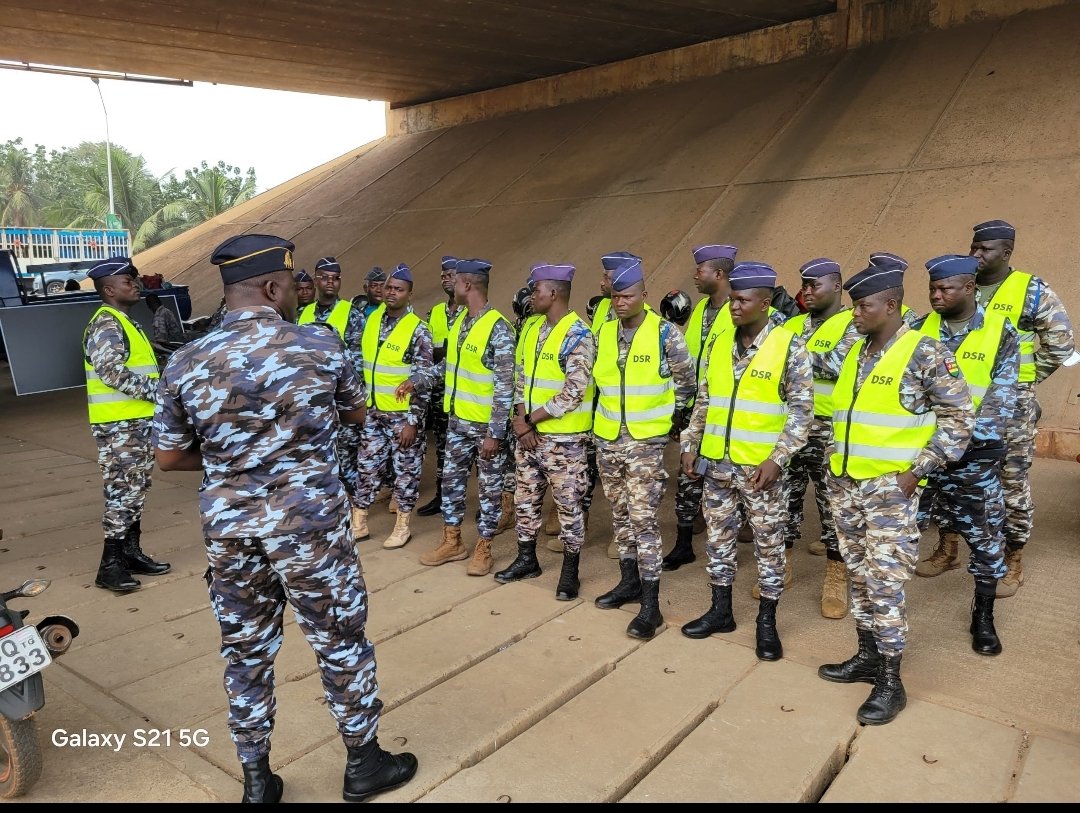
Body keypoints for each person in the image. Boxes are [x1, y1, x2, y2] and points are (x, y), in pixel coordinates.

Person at [152, 234, 417, 804]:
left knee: (245, 651)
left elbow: (169, 457)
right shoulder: (321, 347)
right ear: (273, 287)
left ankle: (256, 780)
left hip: (232, 532)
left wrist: (233, 456)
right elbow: (354, 412)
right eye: (291, 286)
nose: (297, 295)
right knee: (340, 641)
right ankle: (364, 765)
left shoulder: (185, 360)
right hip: (310, 529)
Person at [814, 259, 973, 726]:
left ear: (891, 305)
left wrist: (917, 472)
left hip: (889, 492)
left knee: (885, 585)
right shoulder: (854, 350)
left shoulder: (926, 353)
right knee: (861, 575)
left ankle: (890, 681)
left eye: (862, 306)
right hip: (845, 486)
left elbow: (960, 420)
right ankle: (865, 656)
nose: (855, 314)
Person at [679, 262, 813, 660]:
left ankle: (766, 623)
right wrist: (691, 443)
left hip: (761, 472)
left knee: (769, 547)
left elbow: (802, 412)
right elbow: (705, 400)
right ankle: (720, 611)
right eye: (732, 299)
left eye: (742, 300)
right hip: (717, 465)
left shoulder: (790, 345)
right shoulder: (721, 343)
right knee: (719, 542)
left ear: (766, 303)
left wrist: (779, 458)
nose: (734, 307)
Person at [949, 219, 1075, 598]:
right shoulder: (959, 284)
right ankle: (947, 547)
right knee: (948, 478)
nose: (975, 254)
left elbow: (1061, 343)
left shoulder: (1031, 289)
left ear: (1007, 252)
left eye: (984, 249)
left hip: (1011, 410)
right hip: (957, 405)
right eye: (973, 247)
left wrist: (1022, 379)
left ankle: (1012, 557)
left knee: (1011, 481)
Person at [912, 254, 1019, 655]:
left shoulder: (999, 331)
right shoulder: (917, 329)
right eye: (933, 289)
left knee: (986, 538)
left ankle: (984, 614)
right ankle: (886, 617)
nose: (937, 296)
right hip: (922, 456)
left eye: (945, 289)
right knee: (903, 532)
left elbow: (1002, 396)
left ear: (970, 288)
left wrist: (960, 445)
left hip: (974, 457)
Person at [591, 256, 696, 640]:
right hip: (607, 439)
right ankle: (628, 582)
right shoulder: (601, 334)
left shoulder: (666, 334)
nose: (620, 302)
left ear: (644, 295)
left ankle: (651, 606)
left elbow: (687, 385)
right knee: (619, 515)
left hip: (644, 444)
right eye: (615, 295)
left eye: (627, 295)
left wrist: (669, 423)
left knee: (644, 521)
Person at [495, 264, 596, 600]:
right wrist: (520, 420)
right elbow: (522, 380)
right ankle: (527, 559)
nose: (531, 296)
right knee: (526, 500)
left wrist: (530, 420)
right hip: (529, 435)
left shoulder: (578, 334)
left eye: (536, 290)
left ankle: (570, 573)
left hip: (564, 440)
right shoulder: (532, 328)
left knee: (569, 506)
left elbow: (574, 391)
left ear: (553, 293)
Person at [417, 258, 515, 576]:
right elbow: (450, 368)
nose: (452, 285)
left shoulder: (498, 328)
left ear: (468, 285)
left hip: (485, 428)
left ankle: (484, 547)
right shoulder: (460, 321)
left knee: (488, 489)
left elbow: (505, 387)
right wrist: (417, 380)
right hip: (457, 423)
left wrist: (495, 434)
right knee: (452, 483)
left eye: (456, 281)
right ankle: (453, 541)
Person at [83, 256, 171, 594]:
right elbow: (111, 371)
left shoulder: (123, 320)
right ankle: (110, 566)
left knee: (134, 489)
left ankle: (131, 554)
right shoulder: (106, 322)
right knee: (122, 493)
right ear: (109, 289)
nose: (135, 284)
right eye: (127, 280)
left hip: (134, 423)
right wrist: (159, 392)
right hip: (119, 425)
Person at [782, 258, 861, 620]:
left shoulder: (854, 324)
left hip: (830, 431)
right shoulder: (793, 324)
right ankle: (781, 563)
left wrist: (793, 358)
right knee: (785, 498)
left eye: (815, 284)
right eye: (804, 284)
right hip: (791, 427)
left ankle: (835, 575)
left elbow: (840, 363)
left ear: (837, 286)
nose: (808, 291)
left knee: (833, 506)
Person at [664, 244, 739, 572]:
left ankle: (729, 546)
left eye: (701, 270)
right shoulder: (702, 311)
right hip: (699, 408)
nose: (695, 276)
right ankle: (683, 544)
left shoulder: (738, 310)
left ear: (719, 274)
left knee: (730, 479)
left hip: (729, 413)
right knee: (688, 476)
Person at [353, 263, 436, 549]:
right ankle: (359, 522)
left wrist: (413, 421)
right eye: (388, 287)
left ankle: (402, 525)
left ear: (409, 294)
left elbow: (423, 380)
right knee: (367, 467)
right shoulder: (373, 320)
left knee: (406, 472)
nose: (391, 293)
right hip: (374, 412)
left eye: (398, 289)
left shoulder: (418, 331)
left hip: (402, 417)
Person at [298, 256, 367, 530]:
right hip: (308, 403)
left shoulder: (352, 313)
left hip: (338, 401)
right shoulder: (301, 315)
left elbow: (358, 360)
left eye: (335, 278)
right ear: (316, 280)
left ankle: (351, 512)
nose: (330, 282)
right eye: (325, 277)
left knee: (348, 458)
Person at [418, 256, 463, 517]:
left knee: (473, 453)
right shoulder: (435, 312)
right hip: (439, 394)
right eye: (443, 274)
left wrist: (443, 353)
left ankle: (483, 504)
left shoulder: (472, 312)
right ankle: (442, 495)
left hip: (464, 395)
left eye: (451, 274)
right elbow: (427, 351)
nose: (446, 278)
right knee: (444, 449)